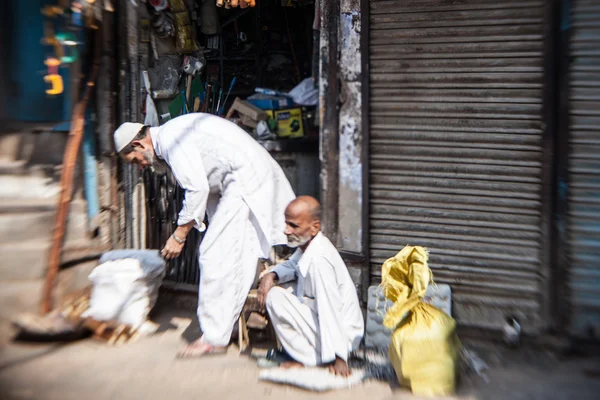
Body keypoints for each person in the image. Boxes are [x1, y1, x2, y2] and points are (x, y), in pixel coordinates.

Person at [113, 113, 295, 357]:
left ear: (138, 144)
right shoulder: (172, 136)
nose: (141, 166)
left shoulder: (171, 139)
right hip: (244, 178)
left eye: (136, 160)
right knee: (236, 255)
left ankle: (214, 338)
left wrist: (179, 236)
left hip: (245, 179)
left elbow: (198, 188)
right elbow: (208, 186)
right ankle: (224, 327)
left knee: (213, 256)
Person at [257, 196, 364, 376]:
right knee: (281, 287)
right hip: (325, 325)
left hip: (344, 336)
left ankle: (309, 360)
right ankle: (310, 355)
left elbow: (331, 309)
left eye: (294, 226)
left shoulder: (319, 261)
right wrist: (271, 275)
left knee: (275, 298)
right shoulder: (309, 246)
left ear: (314, 227)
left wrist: (340, 358)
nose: (286, 231)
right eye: (286, 224)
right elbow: (292, 265)